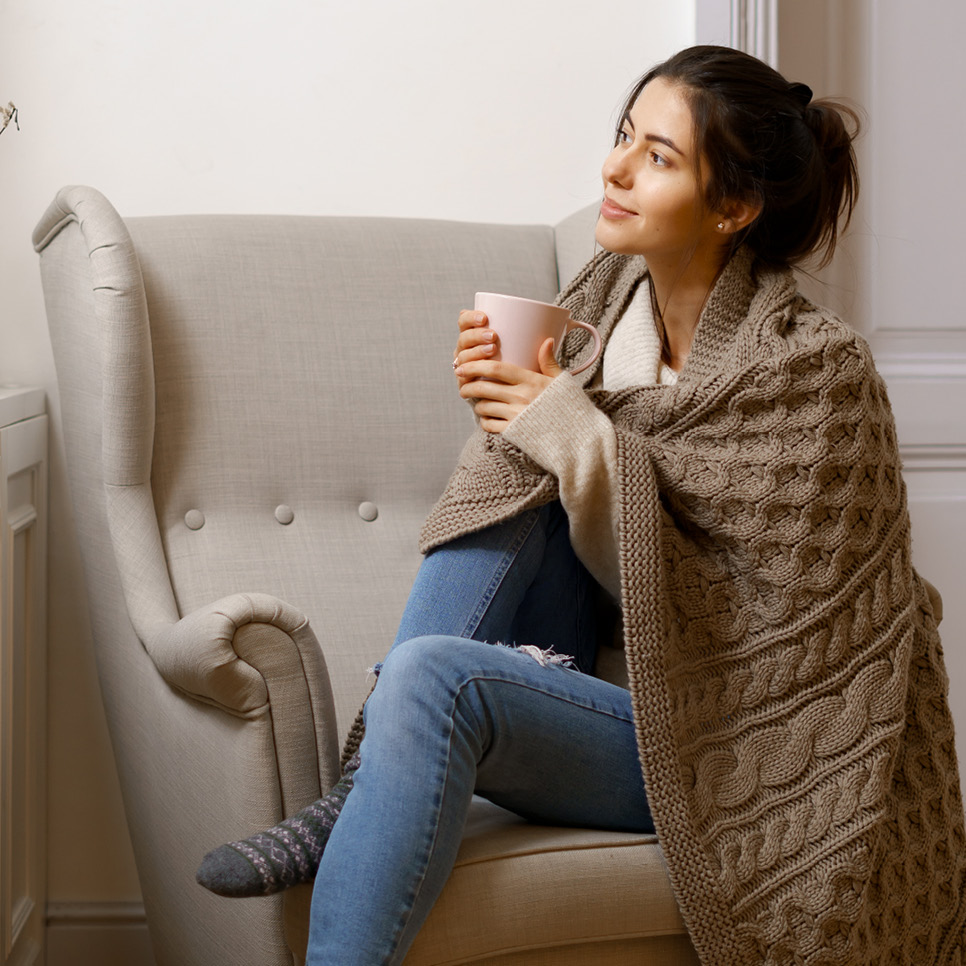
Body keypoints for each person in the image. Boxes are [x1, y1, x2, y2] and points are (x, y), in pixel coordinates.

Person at [197, 45, 966, 965]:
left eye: (658, 157)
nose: (614, 167)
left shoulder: (814, 372)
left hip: (726, 738)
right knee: (513, 474)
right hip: (589, 683)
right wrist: (515, 418)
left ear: (733, 208)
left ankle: (352, 796)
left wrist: (561, 426)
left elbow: (772, 647)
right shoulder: (597, 309)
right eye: (622, 137)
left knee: (432, 678)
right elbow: (591, 521)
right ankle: (362, 785)